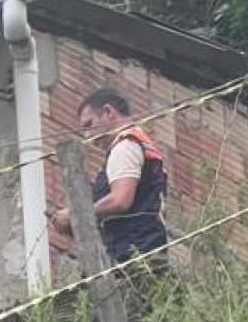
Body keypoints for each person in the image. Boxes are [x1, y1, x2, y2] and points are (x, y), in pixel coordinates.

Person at [53, 87, 170, 266]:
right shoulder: (137, 143)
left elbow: (120, 201)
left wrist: (76, 214)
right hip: (143, 251)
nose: (88, 137)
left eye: (89, 125)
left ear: (108, 112)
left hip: (132, 256)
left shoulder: (125, 146)